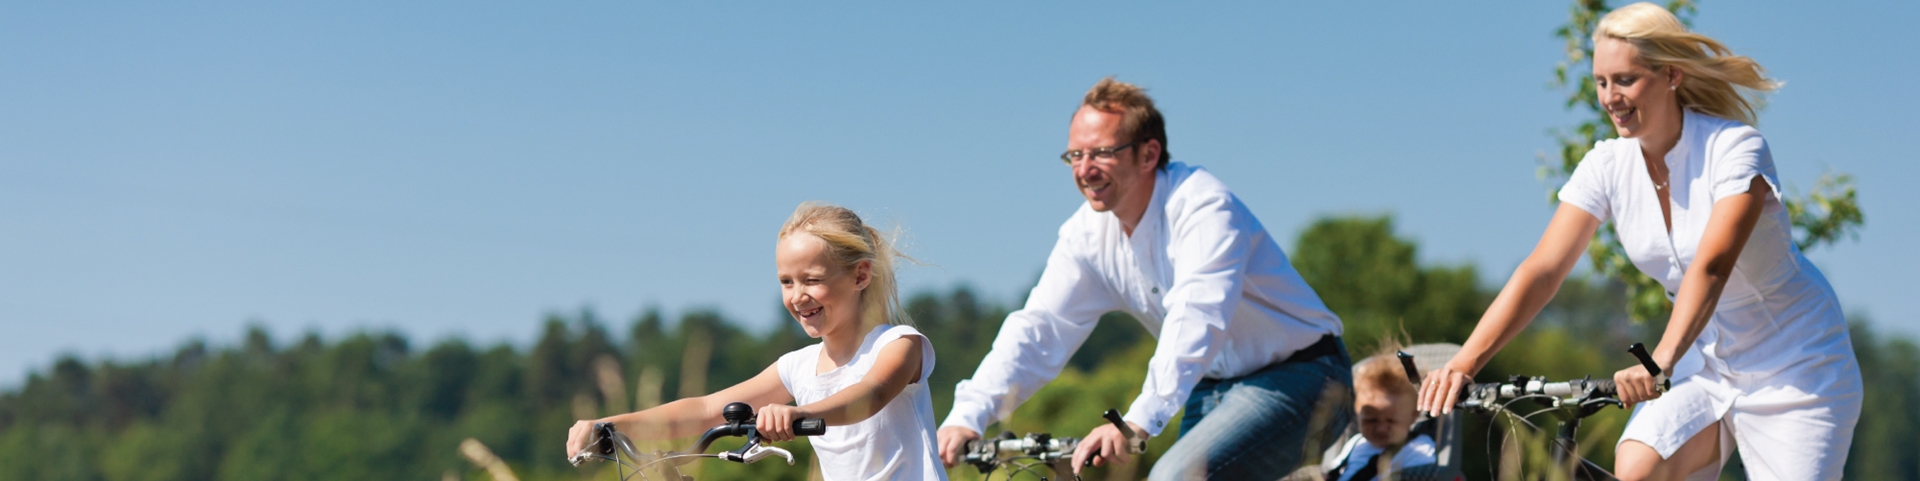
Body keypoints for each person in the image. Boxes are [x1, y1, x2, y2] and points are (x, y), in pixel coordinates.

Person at [1415, 4, 1862, 480]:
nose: (1611, 97)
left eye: (1625, 80)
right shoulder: (1607, 164)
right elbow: (1543, 269)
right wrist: (1464, 362)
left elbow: (1711, 266)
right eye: (1601, 82)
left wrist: (1660, 362)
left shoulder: (1736, 149)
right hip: (1705, 362)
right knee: (1637, 466)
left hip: (1796, 366)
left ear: (1671, 74)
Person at [937, 77, 1352, 479]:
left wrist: (1136, 421)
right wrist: (968, 414)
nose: (1085, 170)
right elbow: (1040, 328)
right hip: (1210, 387)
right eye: (1074, 156)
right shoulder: (1085, 235)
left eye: (1101, 153)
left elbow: (1196, 315)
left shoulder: (1204, 207)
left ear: (1149, 154)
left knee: (1173, 478)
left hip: (1303, 376)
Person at [565, 202, 946, 481]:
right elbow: (706, 408)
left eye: (812, 280)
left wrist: (799, 413)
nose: (798, 296)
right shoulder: (798, 368)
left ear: (860, 276)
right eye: (787, 282)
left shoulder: (898, 344)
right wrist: (609, 424)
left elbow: (869, 395)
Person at [1322, 346, 1437, 481]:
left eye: (1391, 421)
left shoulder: (1419, 449)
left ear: (1414, 415)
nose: (1381, 429)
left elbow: (1424, 476)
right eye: (1371, 420)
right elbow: (1332, 471)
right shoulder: (1356, 443)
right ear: (1358, 413)